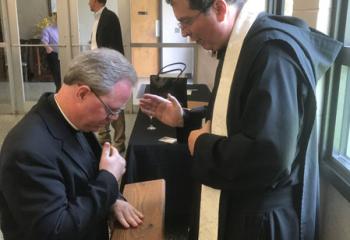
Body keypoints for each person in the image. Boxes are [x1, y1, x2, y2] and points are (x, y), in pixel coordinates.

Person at [139, 0, 342, 239]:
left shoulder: (271, 53)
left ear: (219, 8)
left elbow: (270, 156)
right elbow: (237, 121)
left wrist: (202, 145)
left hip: (259, 222)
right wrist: (185, 120)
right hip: (242, 208)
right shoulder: (242, 44)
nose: (184, 32)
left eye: (186, 21)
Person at [0, 48, 143, 240]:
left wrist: (113, 200)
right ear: (83, 93)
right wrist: (109, 179)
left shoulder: (73, 120)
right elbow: (56, 231)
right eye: (111, 110)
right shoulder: (27, 151)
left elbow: (87, 177)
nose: (114, 118)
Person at [89, 0, 127, 153]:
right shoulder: (97, 18)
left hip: (109, 70)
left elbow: (115, 47)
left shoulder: (110, 17)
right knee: (100, 104)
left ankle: (119, 142)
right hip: (98, 69)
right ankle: (104, 139)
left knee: (114, 104)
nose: (88, 3)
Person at [41, 12, 61, 92]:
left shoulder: (66, 30)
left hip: (66, 54)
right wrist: (48, 48)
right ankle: (59, 94)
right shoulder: (48, 29)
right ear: (55, 19)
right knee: (58, 79)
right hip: (54, 55)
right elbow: (44, 41)